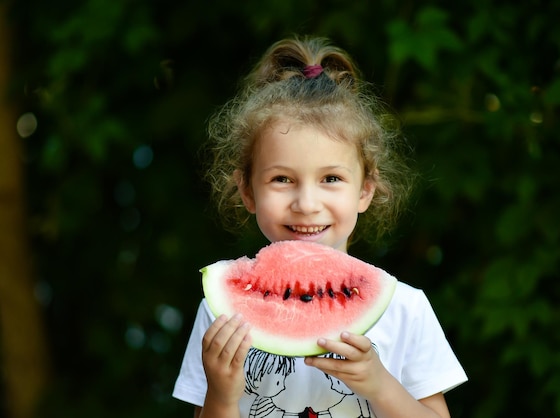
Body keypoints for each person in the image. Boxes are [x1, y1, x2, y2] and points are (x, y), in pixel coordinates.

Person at [173, 35, 467, 418]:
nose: (306, 204)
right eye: (282, 179)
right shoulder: (219, 314)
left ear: (365, 190)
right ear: (247, 190)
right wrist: (222, 397)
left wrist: (381, 385)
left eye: (330, 179)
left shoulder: (405, 309)